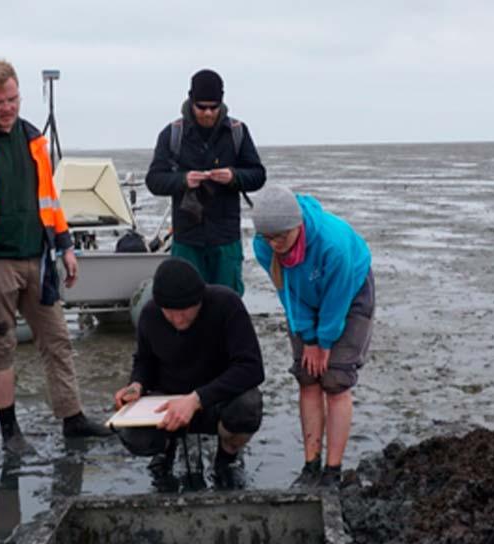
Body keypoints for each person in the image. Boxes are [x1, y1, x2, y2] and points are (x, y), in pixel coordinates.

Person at [0, 59, 110, 457]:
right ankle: (9, 431)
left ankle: (73, 419)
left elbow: (50, 200)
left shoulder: (34, 140)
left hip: (39, 260)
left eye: (13, 99)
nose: (7, 108)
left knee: (58, 341)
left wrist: (66, 247)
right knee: (0, 347)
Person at [250, 184, 375, 488]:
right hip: (302, 299)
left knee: (335, 381)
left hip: (350, 294)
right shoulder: (263, 246)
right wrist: (307, 337)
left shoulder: (332, 244)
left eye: (281, 236)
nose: (275, 244)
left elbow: (338, 298)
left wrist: (325, 341)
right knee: (308, 377)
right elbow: (287, 292)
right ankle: (311, 465)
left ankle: (332, 471)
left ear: (297, 226)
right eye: (269, 237)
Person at [113, 259, 265, 490]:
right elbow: (144, 361)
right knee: (134, 435)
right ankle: (165, 449)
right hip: (169, 401)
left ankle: (227, 455)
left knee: (248, 406)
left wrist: (197, 399)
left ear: (199, 301)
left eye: (185, 311)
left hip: (217, 399)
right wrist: (137, 385)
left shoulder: (226, 304)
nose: (178, 319)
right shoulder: (150, 314)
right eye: (170, 313)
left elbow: (252, 368)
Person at [145, 69, 267, 295]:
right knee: (184, 300)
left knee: (227, 301)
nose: (208, 113)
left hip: (226, 239)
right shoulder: (172, 134)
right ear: (191, 101)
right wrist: (183, 180)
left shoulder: (237, 132)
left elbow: (258, 175)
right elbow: (154, 180)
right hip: (187, 239)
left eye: (214, 107)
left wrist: (233, 176)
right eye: (202, 107)